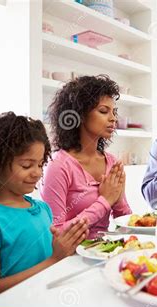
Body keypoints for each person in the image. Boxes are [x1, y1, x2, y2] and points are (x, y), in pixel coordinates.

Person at [0, 112, 88, 303]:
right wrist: (54, 260)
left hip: (41, 302)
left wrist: (68, 249)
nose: (37, 173)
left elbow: (50, 259)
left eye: (40, 164)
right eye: (26, 165)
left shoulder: (42, 209)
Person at [41, 75, 131, 239]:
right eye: (104, 111)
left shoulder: (110, 161)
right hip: (70, 258)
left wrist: (118, 201)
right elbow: (55, 233)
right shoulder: (58, 165)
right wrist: (104, 201)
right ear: (80, 115)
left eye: (114, 112)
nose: (113, 118)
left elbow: (127, 227)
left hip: (104, 251)